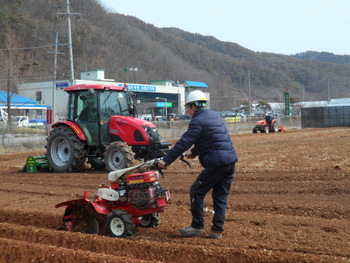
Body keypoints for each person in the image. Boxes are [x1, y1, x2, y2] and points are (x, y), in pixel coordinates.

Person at [158, 90, 238, 239]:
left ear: (194, 106)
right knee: (220, 197)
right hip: (229, 162)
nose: (188, 111)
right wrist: (195, 152)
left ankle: (197, 226)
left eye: (188, 107)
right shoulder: (213, 116)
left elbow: (183, 143)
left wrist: (166, 160)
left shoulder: (197, 121)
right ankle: (217, 231)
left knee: (196, 191)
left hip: (217, 164)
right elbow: (211, 138)